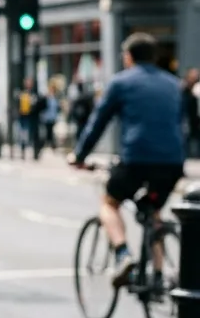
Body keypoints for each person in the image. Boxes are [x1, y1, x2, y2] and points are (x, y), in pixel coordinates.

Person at [68, 33, 188, 289]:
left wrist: (79, 155)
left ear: (128, 57)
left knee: (109, 202)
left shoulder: (121, 83)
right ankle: (157, 276)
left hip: (137, 159)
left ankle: (123, 255)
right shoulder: (173, 83)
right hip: (173, 163)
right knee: (152, 210)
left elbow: (98, 122)